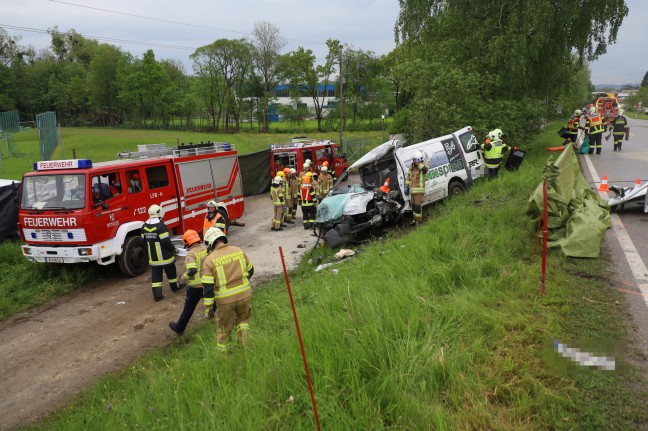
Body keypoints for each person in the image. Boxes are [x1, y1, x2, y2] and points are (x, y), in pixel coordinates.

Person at [201, 227, 254, 352]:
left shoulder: (209, 260)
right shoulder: (238, 251)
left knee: (224, 329)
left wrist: (208, 308)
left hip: (225, 301)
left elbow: (208, 288)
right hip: (244, 295)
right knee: (243, 322)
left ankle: (224, 359)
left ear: (210, 243)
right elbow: (251, 270)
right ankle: (246, 349)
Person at [169, 229, 209, 336]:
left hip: (195, 286)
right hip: (207, 283)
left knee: (188, 309)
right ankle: (215, 320)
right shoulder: (205, 249)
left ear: (187, 242)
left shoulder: (190, 254)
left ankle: (179, 328)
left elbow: (192, 270)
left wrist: (183, 278)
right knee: (212, 303)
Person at [141, 204, 181, 302]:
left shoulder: (144, 226)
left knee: (156, 277)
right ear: (159, 212)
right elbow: (165, 241)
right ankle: (175, 287)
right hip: (165, 256)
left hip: (154, 258)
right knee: (171, 272)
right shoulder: (161, 226)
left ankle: (157, 296)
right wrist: (173, 249)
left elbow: (143, 241)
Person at [404, 150, 429, 224]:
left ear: (419, 159)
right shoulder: (411, 167)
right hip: (412, 190)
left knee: (417, 206)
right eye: (413, 159)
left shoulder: (423, 166)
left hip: (419, 190)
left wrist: (419, 163)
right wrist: (406, 186)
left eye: (415, 159)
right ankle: (415, 219)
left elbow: (425, 170)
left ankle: (419, 221)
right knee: (413, 206)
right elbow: (408, 177)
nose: (414, 161)